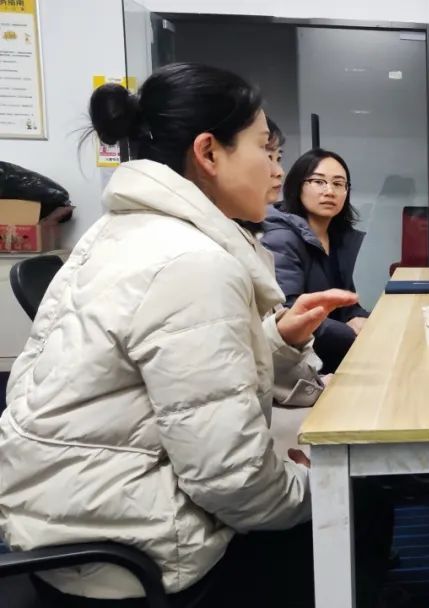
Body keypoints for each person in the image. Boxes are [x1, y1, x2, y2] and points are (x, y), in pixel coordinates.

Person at [0, 63, 394, 607]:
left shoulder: (121, 232)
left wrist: (277, 341)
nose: (276, 170)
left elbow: (187, 380)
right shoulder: (190, 262)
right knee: (359, 494)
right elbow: (234, 483)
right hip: (134, 552)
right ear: (208, 153)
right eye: (266, 149)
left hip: (66, 514)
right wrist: (315, 487)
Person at [262, 148, 370, 374]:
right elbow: (289, 313)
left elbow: (345, 302)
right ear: (297, 185)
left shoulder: (338, 237)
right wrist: (353, 334)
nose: (329, 191)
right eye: (318, 182)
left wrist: (359, 318)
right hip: (302, 366)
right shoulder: (281, 237)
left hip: (334, 354)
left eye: (338, 184)